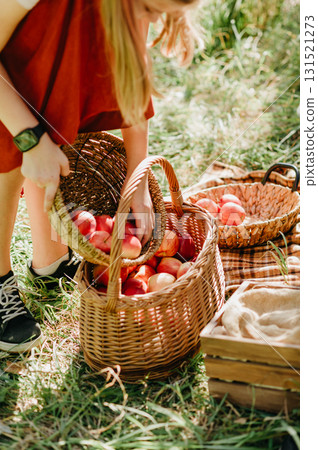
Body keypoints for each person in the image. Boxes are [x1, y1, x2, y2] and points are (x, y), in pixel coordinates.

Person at [0, 0, 201, 353]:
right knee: (8, 153)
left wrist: (134, 181)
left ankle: (50, 262)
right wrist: (29, 141)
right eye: (150, 9)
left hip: (31, 64)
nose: (151, 20)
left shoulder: (131, 5)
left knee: (55, 124)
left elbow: (132, 75)